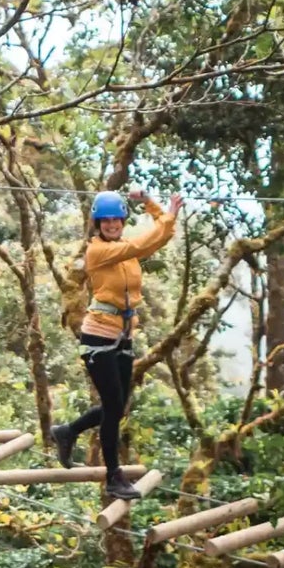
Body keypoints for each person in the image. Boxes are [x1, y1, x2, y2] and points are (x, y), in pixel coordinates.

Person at [50, 186, 182, 499]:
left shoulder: (126, 250)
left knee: (118, 406)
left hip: (124, 334)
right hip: (98, 336)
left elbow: (159, 237)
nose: (112, 225)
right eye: (106, 220)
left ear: (123, 221)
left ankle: (68, 431)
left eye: (117, 220)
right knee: (112, 408)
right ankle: (113, 477)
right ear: (98, 224)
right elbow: (144, 241)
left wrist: (153, 203)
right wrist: (166, 215)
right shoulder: (98, 251)